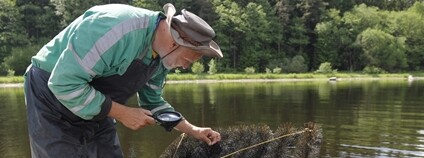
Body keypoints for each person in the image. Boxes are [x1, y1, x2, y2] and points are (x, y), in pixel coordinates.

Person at [23, 3, 222, 158]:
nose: (185, 66)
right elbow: (63, 83)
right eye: (186, 60)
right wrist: (123, 113)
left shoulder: (162, 56)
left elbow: (153, 103)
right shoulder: (116, 28)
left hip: (98, 106)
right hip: (50, 96)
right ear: (174, 42)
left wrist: (192, 130)